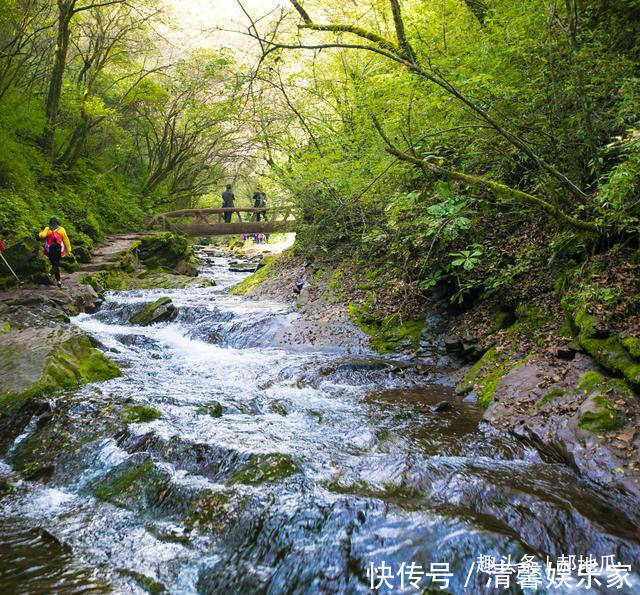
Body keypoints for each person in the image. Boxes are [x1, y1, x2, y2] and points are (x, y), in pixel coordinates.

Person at [39, 217, 72, 288]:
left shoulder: (47, 229)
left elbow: (42, 236)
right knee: (55, 265)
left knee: (55, 264)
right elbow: (66, 240)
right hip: (58, 249)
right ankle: (50, 274)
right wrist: (69, 250)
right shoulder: (61, 229)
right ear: (57, 222)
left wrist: (41, 232)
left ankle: (59, 281)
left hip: (50, 249)